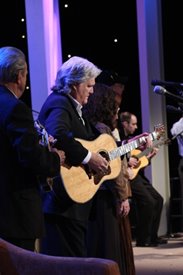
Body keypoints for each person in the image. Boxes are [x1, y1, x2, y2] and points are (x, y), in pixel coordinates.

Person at [38, 56, 109, 257]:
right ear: (75, 84)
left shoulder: (75, 108)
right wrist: (88, 158)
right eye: (89, 85)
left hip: (73, 204)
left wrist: (131, 144)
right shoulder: (60, 103)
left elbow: (97, 144)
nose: (92, 90)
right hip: (61, 203)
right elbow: (57, 133)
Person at [0, 46, 65, 251]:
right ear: (20, 76)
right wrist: (55, 158)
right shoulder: (16, 108)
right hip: (15, 212)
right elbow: (31, 157)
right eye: (26, 74)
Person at [83, 83, 135, 275]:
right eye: (114, 105)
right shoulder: (103, 130)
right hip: (106, 197)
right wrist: (122, 197)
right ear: (105, 105)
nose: (117, 109)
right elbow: (112, 168)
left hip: (94, 195)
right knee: (110, 250)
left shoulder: (89, 125)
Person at [120, 111, 167, 247]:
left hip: (136, 175)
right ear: (125, 124)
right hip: (127, 176)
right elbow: (117, 154)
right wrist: (128, 160)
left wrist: (149, 156)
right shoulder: (120, 137)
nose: (136, 127)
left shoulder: (132, 140)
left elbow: (140, 161)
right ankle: (142, 239)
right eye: (133, 124)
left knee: (158, 199)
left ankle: (153, 237)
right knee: (148, 202)